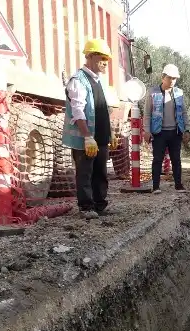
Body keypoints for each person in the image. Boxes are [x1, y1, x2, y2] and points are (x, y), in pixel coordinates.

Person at [62, 38, 116, 219]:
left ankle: (100, 205)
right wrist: (87, 137)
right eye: (102, 58)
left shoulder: (98, 81)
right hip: (86, 139)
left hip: (100, 137)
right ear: (90, 57)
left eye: (107, 60)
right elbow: (78, 111)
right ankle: (86, 207)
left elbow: (101, 109)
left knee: (101, 172)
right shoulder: (78, 81)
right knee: (85, 173)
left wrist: (111, 133)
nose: (105, 63)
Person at [143, 63, 190, 194]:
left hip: (175, 132)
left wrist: (187, 129)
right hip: (159, 132)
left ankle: (178, 185)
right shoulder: (152, 93)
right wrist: (146, 130)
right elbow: (147, 113)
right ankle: (156, 187)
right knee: (157, 159)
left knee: (176, 159)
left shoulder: (179, 93)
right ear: (162, 77)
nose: (172, 81)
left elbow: (184, 113)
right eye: (169, 77)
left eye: (174, 78)